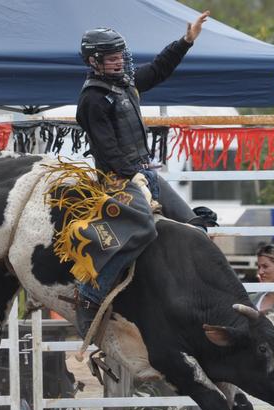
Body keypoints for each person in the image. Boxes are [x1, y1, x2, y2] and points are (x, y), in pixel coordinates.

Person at [74, 11, 210, 334]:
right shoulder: (91, 100)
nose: (119, 61)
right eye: (111, 57)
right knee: (144, 229)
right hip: (116, 182)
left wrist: (186, 41)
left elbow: (161, 68)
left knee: (195, 225)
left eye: (120, 54)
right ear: (95, 62)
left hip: (144, 176)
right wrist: (133, 174)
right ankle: (91, 293)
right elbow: (108, 150)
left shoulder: (127, 86)